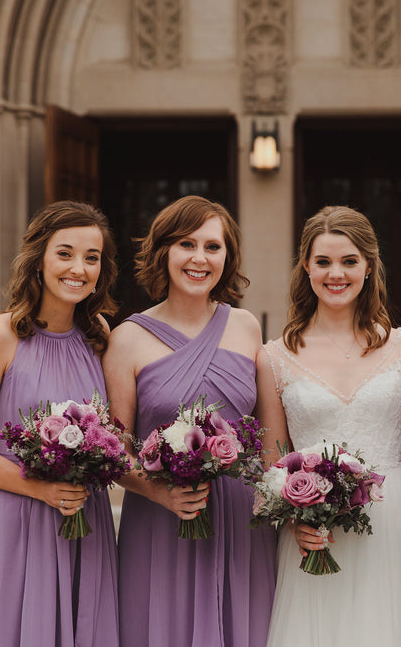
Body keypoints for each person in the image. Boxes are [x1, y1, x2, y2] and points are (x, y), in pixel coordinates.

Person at [104, 195, 277, 647]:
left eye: (213, 247)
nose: (200, 258)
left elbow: (266, 435)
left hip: (242, 520)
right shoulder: (127, 338)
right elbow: (115, 448)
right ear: (163, 252)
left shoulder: (245, 327)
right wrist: (160, 493)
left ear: (228, 256)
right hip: (162, 518)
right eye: (186, 244)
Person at [0, 201, 120, 646]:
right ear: (39, 258)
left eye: (91, 257)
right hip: (17, 518)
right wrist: (40, 488)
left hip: (87, 520)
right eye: (64, 253)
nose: (78, 268)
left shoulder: (99, 335)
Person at [258, 205, 401, 646]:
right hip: (313, 529)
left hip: (390, 522)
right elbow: (272, 461)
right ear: (306, 268)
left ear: (369, 267)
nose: (337, 273)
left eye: (349, 261)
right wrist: (294, 519)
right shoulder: (274, 356)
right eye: (324, 261)